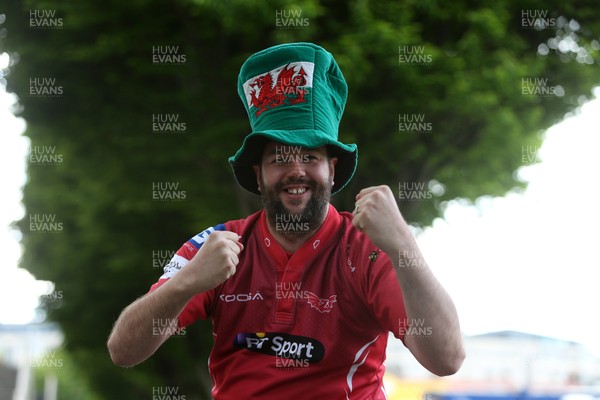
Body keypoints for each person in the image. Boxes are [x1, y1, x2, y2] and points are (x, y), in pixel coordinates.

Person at [107, 42, 465, 399]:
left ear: (332, 169)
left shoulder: (370, 250)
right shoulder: (213, 244)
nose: (296, 171)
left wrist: (404, 243)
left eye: (310, 156)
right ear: (258, 175)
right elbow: (123, 350)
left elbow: (446, 358)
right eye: (279, 158)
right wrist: (185, 283)